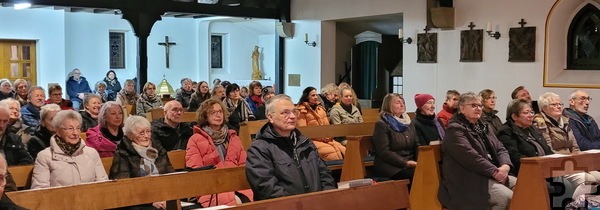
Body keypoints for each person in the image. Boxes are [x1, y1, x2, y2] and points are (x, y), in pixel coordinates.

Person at [245, 94, 336, 201]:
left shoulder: (305, 142)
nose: (292, 116)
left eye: (294, 112)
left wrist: (327, 197)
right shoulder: (259, 149)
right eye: (285, 113)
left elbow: (324, 173)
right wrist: (298, 205)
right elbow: (266, 187)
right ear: (270, 117)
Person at [438, 92, 515, 210]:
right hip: (468, 179)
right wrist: (494, 172)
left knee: (525, 187)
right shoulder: (455, 129)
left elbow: (500, 147)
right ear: (462, 108)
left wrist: (505, 166)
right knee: (506, 198)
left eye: (480, 105)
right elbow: (471, 157)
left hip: (489, 173)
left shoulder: (483, 126)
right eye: (473, 105)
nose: (478, 108)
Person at [186, 99, 253, 207]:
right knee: (235, 202)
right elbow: (195, 171)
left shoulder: (233, 137)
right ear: (205, 116)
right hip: (210, 189)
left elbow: (243, 165)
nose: (218, 115)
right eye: (213, 112)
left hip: (236, 185)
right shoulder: (195, 139)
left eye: (220, 112)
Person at [534, 92, 600, 186]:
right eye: (554, 104)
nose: (558, 107)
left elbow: (575, 147)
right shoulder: (540, 123)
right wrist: (569, 164)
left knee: (598, 177)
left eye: (560, 104)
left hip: (573, 163)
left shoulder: (565, 121)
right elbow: (549, 150)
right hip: (557, 165)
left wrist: (578, 162)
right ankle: (578, 201)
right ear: (544, 108)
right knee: (589, 180)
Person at [31, 110, 108, 189]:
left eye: (78, 128)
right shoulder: (45, 157)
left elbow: (103, 184)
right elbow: (40, 191)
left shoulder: (91, 153)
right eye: (70, 128)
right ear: (58, 130)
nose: (75, 133)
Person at [110, 116, 173, 209]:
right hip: (137, 203)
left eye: (148, 131)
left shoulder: (159, 150)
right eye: (141, 133)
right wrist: (151, 201)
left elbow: (172, 177)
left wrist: (168, 198)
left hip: (164, 198)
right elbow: (124, 188)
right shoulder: (123, 154)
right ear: (130, 136)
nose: (147, 136)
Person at [496, 99, 553, 176]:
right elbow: (515, 157)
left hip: (546, 168)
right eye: (526, 113)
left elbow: (547, 149)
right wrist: (539, 164)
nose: (531, 115)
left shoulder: (532, 128)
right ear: (514, 116)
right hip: (526, 172)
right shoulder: (506, 132)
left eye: (531, 112)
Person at [372, 93, 418, 183]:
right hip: (391, 166)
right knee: (417, 175)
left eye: (403, 102)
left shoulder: (409, 122)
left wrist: (420, 160)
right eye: (398, 103)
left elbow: (416, 144)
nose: (402, 105)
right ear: (388, 106)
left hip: (410, 162)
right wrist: (405, 163)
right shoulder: (382, 124)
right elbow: (384, 152)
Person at [297, 87, 345, 161]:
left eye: (316, 95)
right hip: (311, 140)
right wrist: (321, 137)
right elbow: (303, 131)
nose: (316, 97)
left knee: (344, 151)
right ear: (306, 96)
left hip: (326, 139)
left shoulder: (321, 109)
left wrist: (328, 136)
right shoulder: (301, 111)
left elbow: (327, 126)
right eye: (313, 95)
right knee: (332, 154)